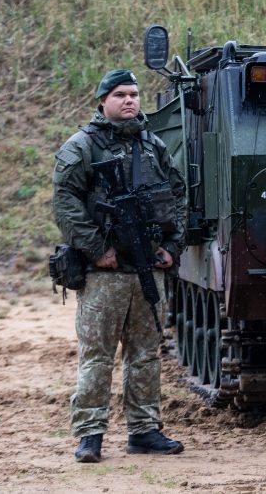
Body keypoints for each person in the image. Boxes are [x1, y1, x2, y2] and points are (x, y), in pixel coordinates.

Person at [52, 68, 187, 463]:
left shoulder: (153, 146)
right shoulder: (82, 146)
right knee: (97, 355)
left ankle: (144, 430)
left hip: (148, 268)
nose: (130, 100)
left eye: (134, 94)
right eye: (120, 95)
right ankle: (90, 434)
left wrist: (172, 247)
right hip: (105, 274)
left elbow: (178, 196)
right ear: (103, 102)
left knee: (145, 354)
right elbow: (65, 203)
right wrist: (96, 250)